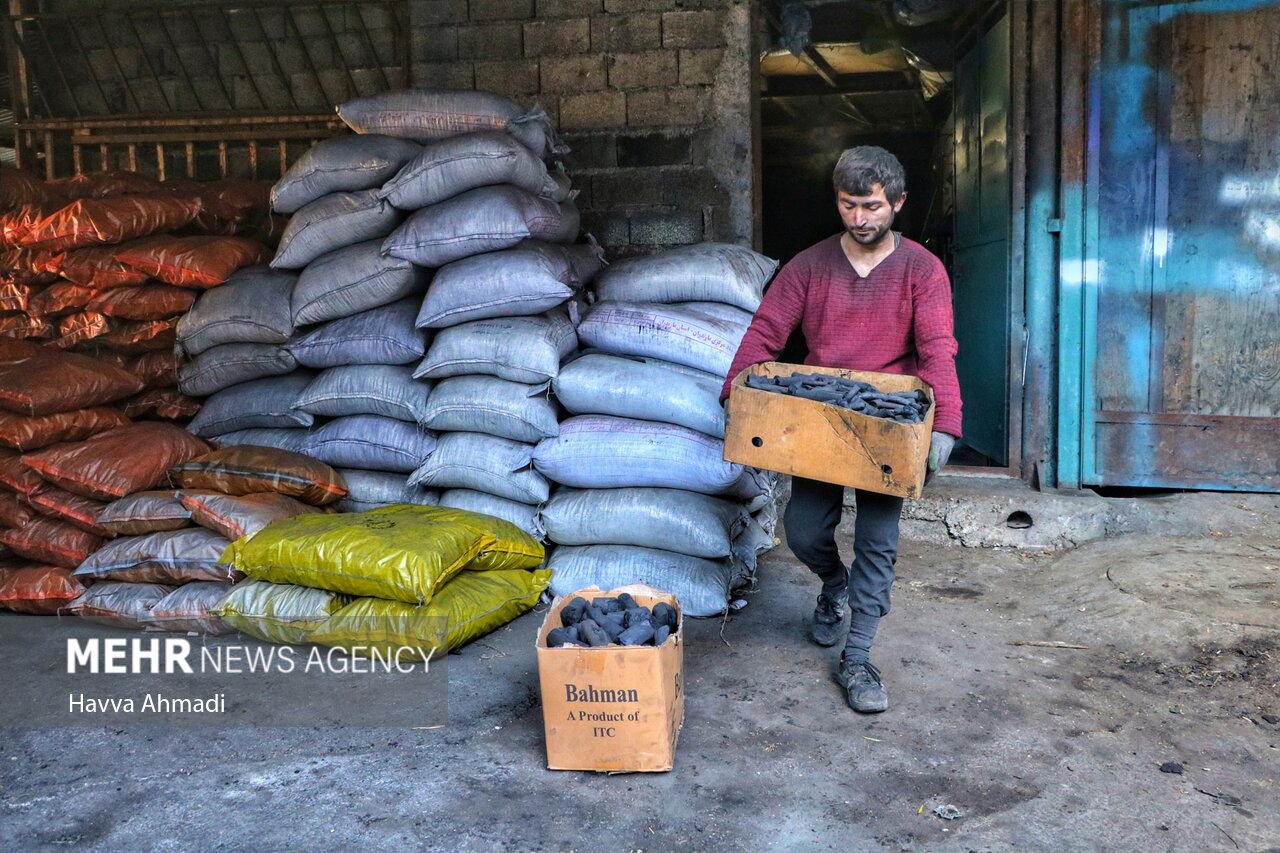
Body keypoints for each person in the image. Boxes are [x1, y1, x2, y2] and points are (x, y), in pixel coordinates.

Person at [720, 146, 962, 713]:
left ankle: (858, 657)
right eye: (849, 205)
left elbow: (937, 349)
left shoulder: (923, 270)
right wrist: (736, 390)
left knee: (878, 541)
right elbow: (766, 332)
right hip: (820, 420)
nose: (860, 218)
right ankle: (833, 585)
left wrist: (946, 424)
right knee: (802, 530)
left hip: (887, 426)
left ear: (898, 203)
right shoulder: (808, 266)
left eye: (872, 206)